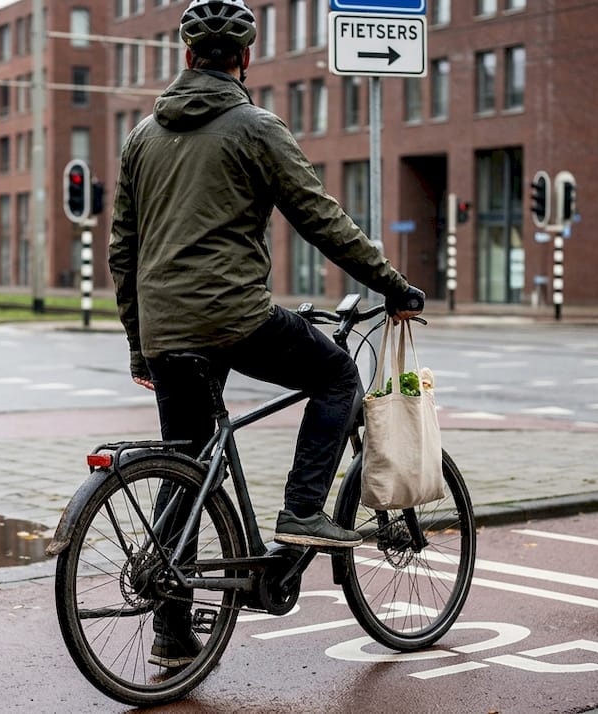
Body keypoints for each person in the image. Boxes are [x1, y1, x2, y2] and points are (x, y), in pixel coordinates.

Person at [108, 0, 426, 667]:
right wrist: (393, 284)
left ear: (187, 58)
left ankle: (171, 633)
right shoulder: (255, 127)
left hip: (166, 327)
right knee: (338, 376)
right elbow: (320, 217)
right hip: (233, 314)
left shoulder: (141, 137)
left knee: (184, 466)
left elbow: (124, 248)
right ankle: (302, 513)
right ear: (244, 61)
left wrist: (140, 341)